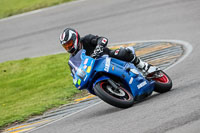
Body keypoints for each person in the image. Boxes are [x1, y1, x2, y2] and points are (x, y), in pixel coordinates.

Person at [59, 28, 159, 77]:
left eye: (69, 43)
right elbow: (75, 74)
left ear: (75, 38)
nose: (69, 47)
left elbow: (102, 39)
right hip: (96, 70)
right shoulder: (72, 60)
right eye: (66, 46)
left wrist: (98, 48)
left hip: (108, 58)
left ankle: (143, 66)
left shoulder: (86, 39)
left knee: (121, 53)